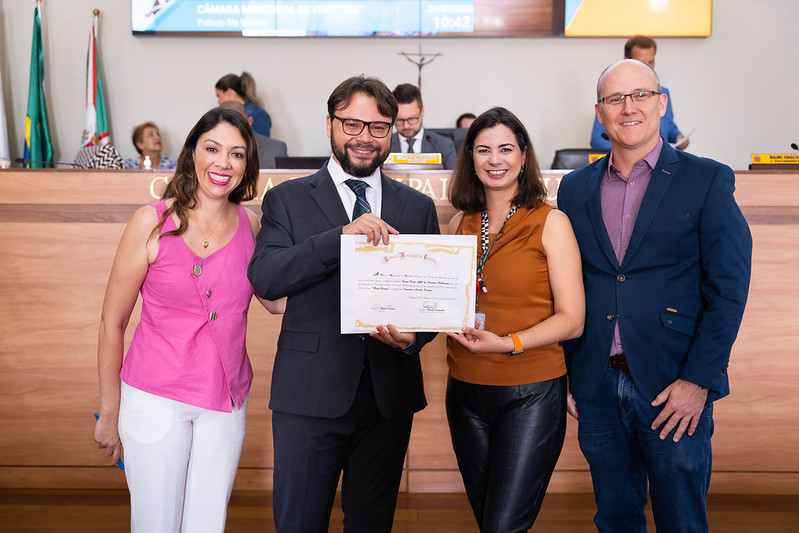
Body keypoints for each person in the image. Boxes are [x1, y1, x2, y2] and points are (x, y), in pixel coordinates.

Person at [558, 59, 752, 532]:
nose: (629, 107)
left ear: (661, 104)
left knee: (681, 520)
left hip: (674, 387)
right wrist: (569, 372)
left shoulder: (706, 179)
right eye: (615, 99)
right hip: (596, 384)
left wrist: (698, 381)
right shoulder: (574, 188)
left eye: (640, 95)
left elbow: (728, 290)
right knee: (615, 518)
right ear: (599, 112)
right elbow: (565, 286)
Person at [247, 75, 440, 533]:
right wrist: (340, 237)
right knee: (299, 523)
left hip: (388, 398)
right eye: (352, 124)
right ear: (330, 124)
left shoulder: (417, 206)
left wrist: (414, 338)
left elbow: (433, 298)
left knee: (372, 524)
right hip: (309, 394)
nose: (364, 137)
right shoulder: (286, 199)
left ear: (391, 131)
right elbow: (266, 278)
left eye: (378, 127)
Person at [94, 107, 284, 532]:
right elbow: (112, 323)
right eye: (212, 149)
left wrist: (353, 286)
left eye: (237, 154)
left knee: (207, 524)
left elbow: (276, 301)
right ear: (192, 153)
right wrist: (109, 410)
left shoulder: (252, 225)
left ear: (247, 165)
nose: (223, 163)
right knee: (156, 524)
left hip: (225, 402)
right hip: (154, 400)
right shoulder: (150, 221)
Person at [445, 107, 585, 532]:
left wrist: (507, 343)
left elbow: (573, 320)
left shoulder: (551, 222)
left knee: (503, 526)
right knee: (488, 519)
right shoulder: (458, 223)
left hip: (531, 393)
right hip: (464, 391)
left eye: (506, 149)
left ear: (524, 156)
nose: (495, 160)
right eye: (483, 150)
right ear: (470, 158)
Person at [590, 35, 689, 151]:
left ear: (662, 103)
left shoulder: (663, 92)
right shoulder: (610, 96)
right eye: (641, 63)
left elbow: (668, 126)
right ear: (626, 60)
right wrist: (633, 151)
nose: (648, 67)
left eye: (651, 62)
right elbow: (597, 140)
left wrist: (678, 138)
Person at [389, 83, 457, 169]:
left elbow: (454, 177)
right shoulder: (384, 145)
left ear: (422, 111)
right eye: (400, 120)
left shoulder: (445, 145)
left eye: (412, 119)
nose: (406, 126)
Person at [219, 100, 288, 169]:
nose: (232, 130)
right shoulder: (213, 150)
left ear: (249, 122)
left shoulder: (276, 149)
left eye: (237, 124)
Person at [216, 71, 272, 137]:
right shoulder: (225, 115)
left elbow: (262, 141)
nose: (218, 101)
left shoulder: (258, 114)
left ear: (229, 92)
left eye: (219, 96)